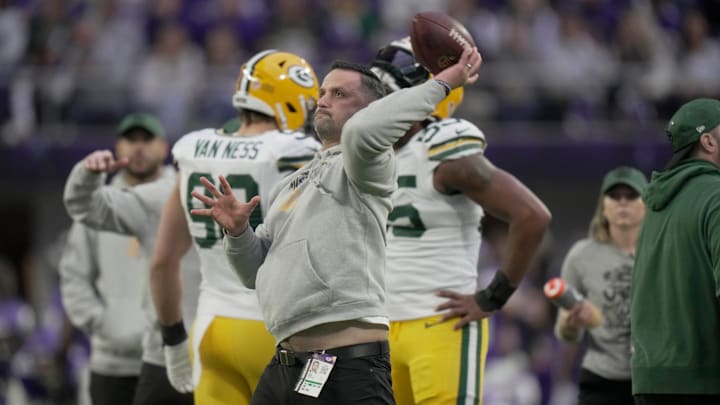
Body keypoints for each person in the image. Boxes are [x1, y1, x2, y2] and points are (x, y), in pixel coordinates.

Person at [192, 45, 483, 404]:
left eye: (340, 93)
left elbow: (363, 131)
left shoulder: (364, 161)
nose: (323, 101)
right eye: (322, 93)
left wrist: (445, 82)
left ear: (370, 110)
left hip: (348, 363)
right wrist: (237, 232)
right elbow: (252, 272)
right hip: (286, 363)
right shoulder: (291, 183)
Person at [369, 38, 552, 405]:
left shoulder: (444, 150)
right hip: (380, 326)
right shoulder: (368, 154)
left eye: (387, 93)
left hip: (439, 324)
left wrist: (492, 296)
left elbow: (531, 216)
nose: (378, 105)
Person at [149, 49, 321, 404]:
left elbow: (162, 262)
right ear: (292, 101)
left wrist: (173, 341)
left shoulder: (193, 148)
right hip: (274, 330)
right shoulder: (294, 149)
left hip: (210, 328)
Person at [63, 113, 199, 405]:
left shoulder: (186, 196)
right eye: (131, 140)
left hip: (171, 357)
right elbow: (74, 275)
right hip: (112, 362)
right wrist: (105, 324)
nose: (139, 148)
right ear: (117, 147)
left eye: (147, 140)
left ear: (164, 147)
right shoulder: (99, 204)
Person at [631, 98, 720, 404]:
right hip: (703, 380)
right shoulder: (715, 196)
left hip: (649, 379)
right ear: (708, 141)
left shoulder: (654, 205)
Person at [554, 166, 647, 405]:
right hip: (601, 378)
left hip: (652, 377)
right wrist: (571, 324)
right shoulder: (581, 256)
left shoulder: (664, 253)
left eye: (631, 195)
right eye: (615, 196)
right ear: (603, 206)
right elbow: (565, 333)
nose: (622, 203)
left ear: (646, 203)